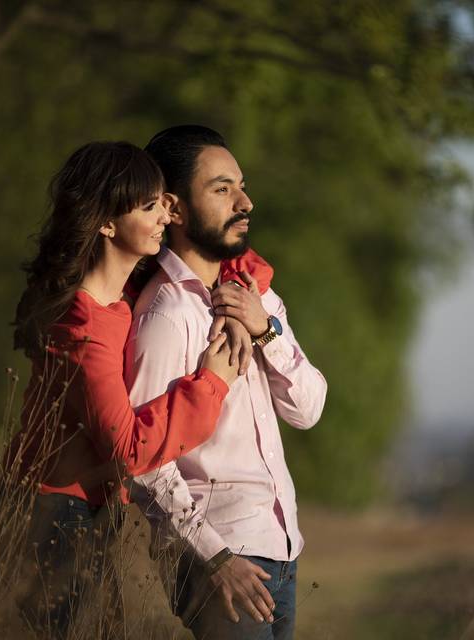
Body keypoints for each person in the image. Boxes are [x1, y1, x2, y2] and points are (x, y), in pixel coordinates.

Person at [0, 140, 272, 637]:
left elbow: (234, 260)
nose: (165, 215)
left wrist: (242, 290)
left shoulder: (122, 298)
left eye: (165, 202)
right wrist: (212, 383)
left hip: (88, 510)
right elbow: (125, 450)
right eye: (149, 206)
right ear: (105, 223)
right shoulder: (82, 327)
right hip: (50, 515)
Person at [126, 125, 327, 640]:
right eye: (221, 189)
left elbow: (307, 409)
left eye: (240, 185)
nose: (245, 202)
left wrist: (267, 331)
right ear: (173, 208)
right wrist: (214, 559)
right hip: (220, 559)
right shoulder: (167, 314)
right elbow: (144, 462)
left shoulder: (255, 298)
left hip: (282, 545)